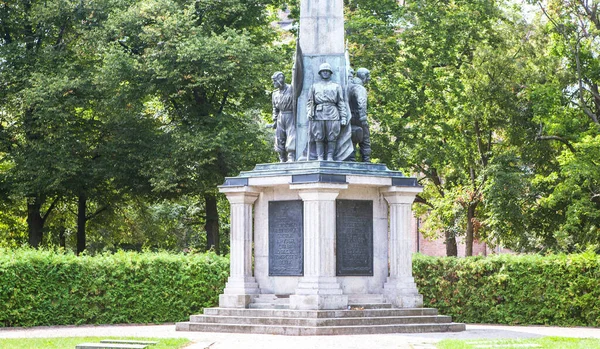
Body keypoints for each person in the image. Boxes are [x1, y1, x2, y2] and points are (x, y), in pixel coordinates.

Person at [306, 63, 348, 161]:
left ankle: (330, 156)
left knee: (332, 136)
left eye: (327, 71)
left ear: (330, 73)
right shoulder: (314, 86)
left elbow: (341, 102)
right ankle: (320, 157)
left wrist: (344, 117)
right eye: (323, 71)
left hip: (333, 112)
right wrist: (309, 111)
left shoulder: (336, 86)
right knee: (318, 136)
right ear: (320, 73)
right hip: (318, 113)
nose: (325, 72)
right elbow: (310, 102)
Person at [271, 71, 296, 162]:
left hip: (290, 114)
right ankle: (282, 158)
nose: (274, 83)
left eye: (275, 81)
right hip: (280, 116)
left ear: (280, 80)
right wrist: (274, 119)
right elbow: (275, 108)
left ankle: (291, 156)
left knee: (291, 134)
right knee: (279, 137)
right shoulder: (275, 93)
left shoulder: (291, 89)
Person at [348, 67, 371, 162]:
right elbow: (362, 102)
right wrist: (363, 117)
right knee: (365, 138)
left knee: (351, 136)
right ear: (363, 76)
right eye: (368, 76)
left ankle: (351, 158)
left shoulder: (347, 86)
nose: (369, 79)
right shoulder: (359, 88)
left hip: (348, 116)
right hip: (357, 116)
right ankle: (366, 159)